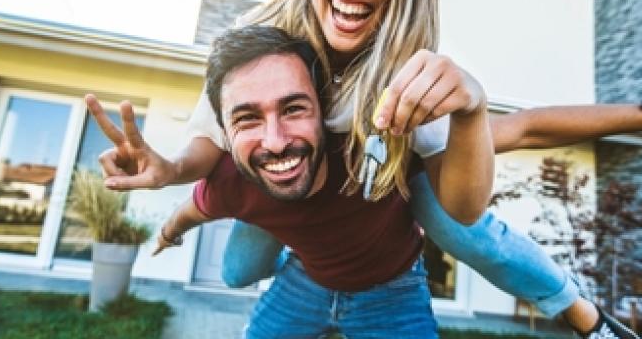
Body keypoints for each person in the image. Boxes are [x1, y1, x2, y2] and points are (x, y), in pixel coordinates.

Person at [86, 0, 642, 337]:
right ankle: (272, 226)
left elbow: (524, 128)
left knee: (448, 216)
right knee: (239, 251)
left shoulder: (407, 87)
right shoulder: (260, 57)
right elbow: (207, 152)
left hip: (387, 273)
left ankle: (584, 315)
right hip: (297, 253)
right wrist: (169, 178)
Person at [149, 25, 492, 338]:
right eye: (248, 118)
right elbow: (190, 212)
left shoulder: (379, 144)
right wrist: (166, 235)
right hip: (304, 282)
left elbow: (481, 142)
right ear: (223, 133)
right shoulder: (232, 181)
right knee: (237, 274)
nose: (275, 142)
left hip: (393, 289)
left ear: (325, 111)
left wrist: (474, 108)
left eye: (293, 109)